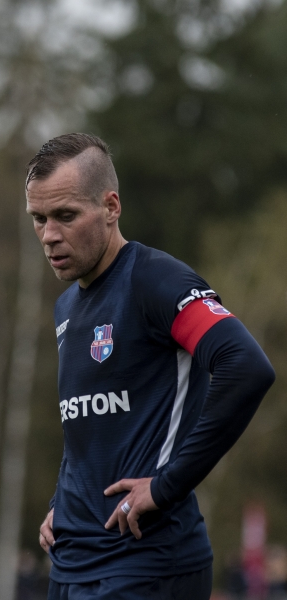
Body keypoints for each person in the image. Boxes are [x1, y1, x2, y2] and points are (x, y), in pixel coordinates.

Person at [25, 133, 275, 600]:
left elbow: (245, 365)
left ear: (111, 207)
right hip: (70, 562)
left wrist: (166, 486)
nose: (49, 235)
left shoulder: (155, 281)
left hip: (146, 563)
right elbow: (88, 422)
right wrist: (64, 500)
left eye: (66, 216)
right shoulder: (66, 307)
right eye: (39, 219)